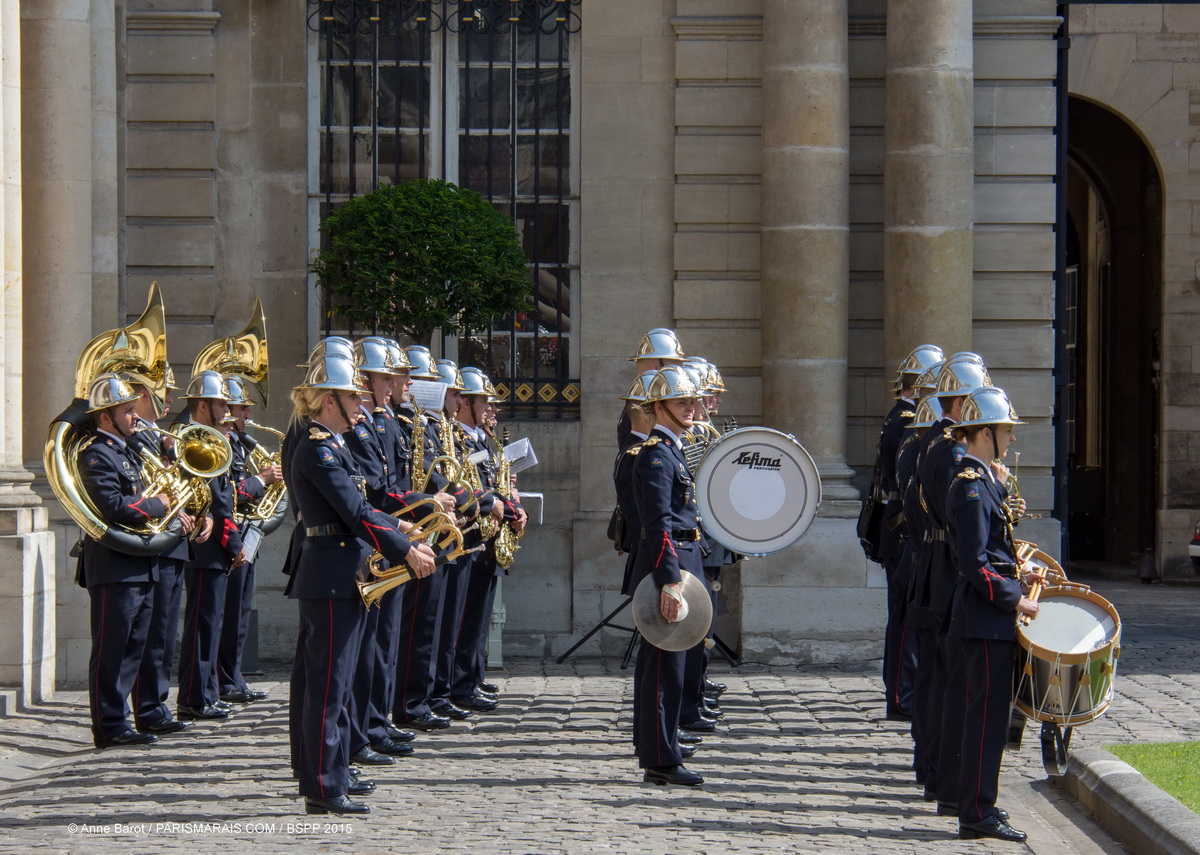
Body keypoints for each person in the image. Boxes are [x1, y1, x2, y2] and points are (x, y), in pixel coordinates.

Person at [286, 351, 436, 815]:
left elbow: (366, 506)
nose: (359, 402)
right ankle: (324, 786)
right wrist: (404, 549)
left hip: (340, 572)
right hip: (331, 575)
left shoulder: (334, 443)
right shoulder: (319, 447)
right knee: (329, 686)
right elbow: (353, 511)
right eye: (352, 395)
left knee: (332, 683)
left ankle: (323, 773)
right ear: (329, 400)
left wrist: (403, 530)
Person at [943, 386, 1041, 842]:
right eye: (1006, 431)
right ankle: (977, 812)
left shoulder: (983, 481)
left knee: (987, 717)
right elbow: (972, 562)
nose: (1013, 439)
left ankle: (979, 806)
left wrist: (1020, 575)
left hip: (987, 617)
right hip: (984, 619)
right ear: (985, 433)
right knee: (986, 720)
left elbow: (992, 552)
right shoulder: (970, 486)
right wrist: (1012, 598)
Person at [77, 373, 183, 748]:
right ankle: (108, 725)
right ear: (106, 417)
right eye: (126, 411)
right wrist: (159, 505)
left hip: (141, 562)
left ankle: (123, 720)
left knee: (135, 646)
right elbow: (113, 506)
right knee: (111, 649)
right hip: (115, 566)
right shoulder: (96, 453)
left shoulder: (127, 449)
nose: (135, 416)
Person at [630, 365, 706, 786]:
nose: (692, 409)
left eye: (692, 402)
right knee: (665, 667)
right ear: (659, 408)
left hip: (681, 556)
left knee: (669, 664)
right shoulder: (657, 455)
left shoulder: (673, 449)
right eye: (682, 403)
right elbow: (658, 523)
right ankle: (661, 757)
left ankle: (658, 746)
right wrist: (670, 582)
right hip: (669, 562)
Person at [126, 371, 208, 736]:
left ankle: (156, 704)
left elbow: (181, 486)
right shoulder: (138, 438)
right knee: (151, 632)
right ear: (142, 394)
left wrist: (200, 515)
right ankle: (147, 707)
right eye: (163, 393)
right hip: (153, 544)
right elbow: (147, 494)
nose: (171, 400)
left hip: (175, 543)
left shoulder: (160, 437)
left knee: (163, 632)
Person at [874, 344, 942, 721]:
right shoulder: (907, 420)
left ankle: (903, 691)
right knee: (905, 617)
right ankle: (903, 694)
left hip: (898, 529)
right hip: (905, 532)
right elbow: (909, 484)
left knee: (905, 616)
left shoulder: (901, 415)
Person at [175, 370, 246, 721]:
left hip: (215, 544)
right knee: (203, 625)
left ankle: (205, 691)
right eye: (220, 403)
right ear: (203, 406)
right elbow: (216, 502)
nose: (226, 410)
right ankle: (193, 697)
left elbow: (225, 498)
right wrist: (234, 544)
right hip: (205, 547)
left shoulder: (214, 438)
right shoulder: (192, 439)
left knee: (212, 623)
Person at [217, 375, 282, 704]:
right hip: (227, 536)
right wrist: (262, 479)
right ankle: (223, 680)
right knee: (226, 615)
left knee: (241, 612)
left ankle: (235, 676)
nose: (248, 416)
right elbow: (229, 493)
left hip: (246, 534)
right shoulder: (219, 444)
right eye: (243, 409)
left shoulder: (240, 444)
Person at [618, 329, 685, 449]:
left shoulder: (643, 397)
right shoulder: (643, 401)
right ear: (656, 368)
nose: (680, 373)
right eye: (674, 367)